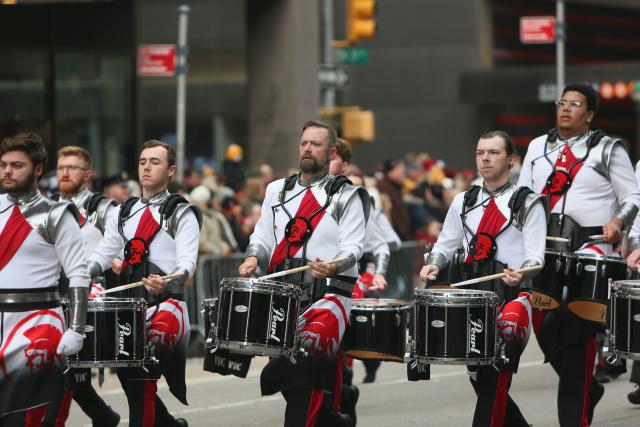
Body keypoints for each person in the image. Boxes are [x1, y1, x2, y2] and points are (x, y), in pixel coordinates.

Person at [517, 82, 640, 426]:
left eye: (575, 104)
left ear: (589, 114)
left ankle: (575, 414)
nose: (566, 108)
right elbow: (524, 196)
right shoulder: (538, 146)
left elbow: (633, 197)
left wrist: (619, 220)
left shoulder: (608, 148)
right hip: (545, 250)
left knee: (577, 337)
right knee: (544, 328)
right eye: (562, 102)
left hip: (591, 249)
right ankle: (589, 388)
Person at [238, 120, 368, 426]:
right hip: (283, 296)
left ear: (331, 151)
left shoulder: (346, 194)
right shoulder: (276, 191)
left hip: (330, 295)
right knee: (296, 382)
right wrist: (254, 257)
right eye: (304, 143)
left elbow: (354, 246)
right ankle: (334, 417)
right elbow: (262, 236)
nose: (308, 148)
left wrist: (334, 264)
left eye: (316, 144)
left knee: (304, 359)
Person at [420, 130, 547, 427]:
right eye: (480, 153)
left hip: (512, 297)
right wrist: (433, 265)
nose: (486, 158)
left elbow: (536, 257)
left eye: (494, 152)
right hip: (471, 298)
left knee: (493, 375)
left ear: (511, 159)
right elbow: (445, 244)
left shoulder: (528, 202)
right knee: (483, 380)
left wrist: (522, 273)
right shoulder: (464, 201)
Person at [88, 140, 202, 427]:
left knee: (139, 371)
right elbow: (104, 253)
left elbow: (187, 263)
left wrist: (166, 282)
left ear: (171, 170)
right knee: (130, 377)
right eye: (142, 161)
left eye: (155, 161)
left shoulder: (182, 212)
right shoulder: (122, 212)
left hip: (168, 304)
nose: (147, 167)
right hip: (129, 307)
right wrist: (81, 273)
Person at [0, 133, 90, 424]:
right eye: (3, 165)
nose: (7, 172)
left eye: (16, 165)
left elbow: (78, 272)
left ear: (38, 169)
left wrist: (76, 328)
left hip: (37, 324)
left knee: (29, 417)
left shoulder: (57, 214)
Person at [37, 146, 120, 426]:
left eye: (71, 167)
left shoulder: (104, 208)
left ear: (88, 173)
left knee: (65, 367)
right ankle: (105, 417)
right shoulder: (47, 208)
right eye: (60, 167)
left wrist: (116, 260)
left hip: (88, 295)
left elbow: (120, 242)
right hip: (51, 295)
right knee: (68, 370)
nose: (64, 172)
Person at [329, 139, 396, 386]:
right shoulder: (298, 195)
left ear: (344, 166)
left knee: (348, 320)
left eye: (331, 157)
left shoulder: (354, 200)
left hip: (347, 277)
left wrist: (379, 273)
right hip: (308, 280)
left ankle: (347, 375)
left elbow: (380, 244)